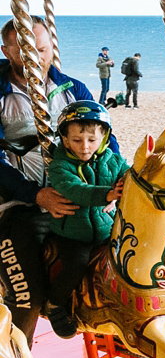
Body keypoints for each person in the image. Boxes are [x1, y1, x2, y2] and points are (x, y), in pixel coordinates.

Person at [0, 16, 105, 340]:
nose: (34, 55)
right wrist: (37, 195)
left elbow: (104, 143)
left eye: (41, 48)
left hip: (76, 199)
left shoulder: (74, 90)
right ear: (6, 50)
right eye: (23, 48)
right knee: (26, 297)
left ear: (51, 48)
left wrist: (109, 187)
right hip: (19, 205)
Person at [43, 101, 128, 338]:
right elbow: (77, 190)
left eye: (92, 140)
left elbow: (129, 176)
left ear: (104, 137)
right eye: (77, 141)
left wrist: (128, 184)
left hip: (105, 230)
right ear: (65, 140)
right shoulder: (60, 166)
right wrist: (108, 194)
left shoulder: (113, 160)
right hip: (73, 233)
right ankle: (55, 304)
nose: (85, 147)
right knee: (75, 266)